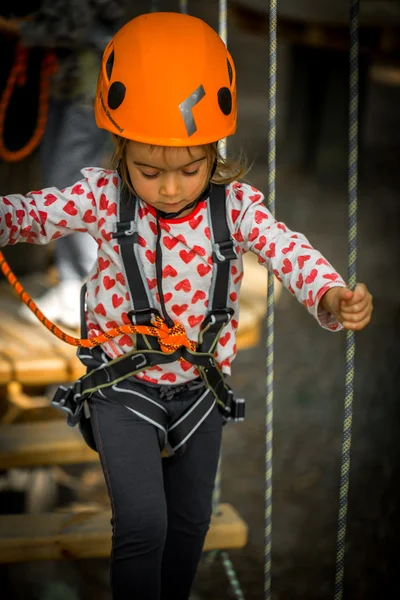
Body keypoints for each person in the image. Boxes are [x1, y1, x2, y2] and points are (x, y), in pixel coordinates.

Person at [0, 12, 373, 600]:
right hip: (122, 387)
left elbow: (287, 250)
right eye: (149, 171)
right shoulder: (102, 197)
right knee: (143, 524)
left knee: (190, 524)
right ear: (119, 147)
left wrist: (328, 291)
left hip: (201, 391)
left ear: (214, 151)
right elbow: (33, 211)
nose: (170, 188)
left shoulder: (235, 208)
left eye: (191, 169)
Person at [0, 0, 129, 328]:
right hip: (66, 75)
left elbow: (76, 23)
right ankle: (73, 283)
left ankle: (90, 282)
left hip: (92, 77)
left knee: (71, 179)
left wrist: (19, 29)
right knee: (54, 178)